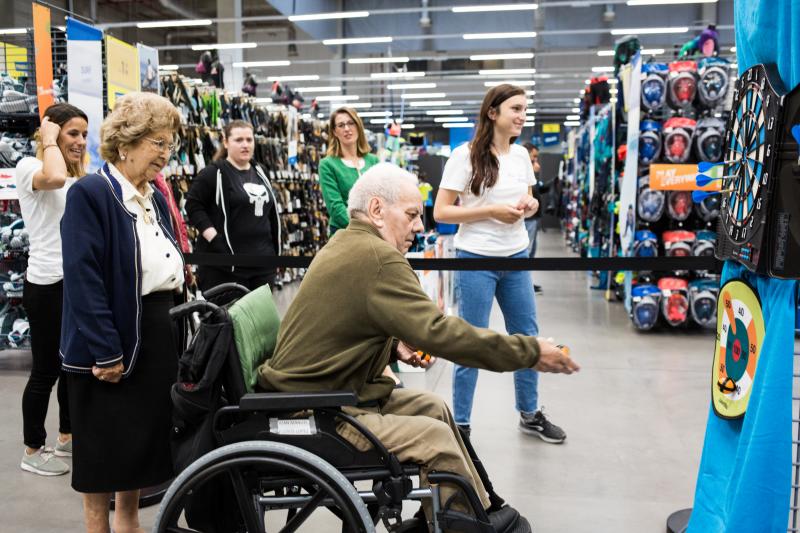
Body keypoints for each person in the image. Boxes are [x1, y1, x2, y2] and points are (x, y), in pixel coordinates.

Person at [258, 163, 579, 531]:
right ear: (377, 210)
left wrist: (393, 344)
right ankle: (466, 526)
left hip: (333, 393)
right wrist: (531, 352)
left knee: (433, 406)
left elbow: (346, 319)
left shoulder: (349, 242)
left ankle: (473, 511)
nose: (419, 226)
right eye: (411, 215)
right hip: (317, 412)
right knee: (435, 439)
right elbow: (442, 333)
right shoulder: (379, 259)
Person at [60, 92, 185, 533]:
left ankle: (129, 523)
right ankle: (100, 526)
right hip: (111, 344)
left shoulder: (155, 196)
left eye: (169, 145)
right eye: (158, 143)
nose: (165, 154)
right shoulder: (91, 193)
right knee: (103, 452)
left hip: (154, 336)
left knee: (135, 451)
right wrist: (106, 350)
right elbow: (82, 277)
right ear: (127, 143)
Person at [433, 84, 566, 444]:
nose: (522, 116)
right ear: (493, 113)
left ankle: (530, 412)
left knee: (527, 337)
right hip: (476, 259)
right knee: (471, 342)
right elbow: (441, 210)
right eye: (516, 109)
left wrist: (531, 206)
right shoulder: (464, 156)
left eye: (525, 109)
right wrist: (490, 211)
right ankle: (460, 424)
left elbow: (529, 198)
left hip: (517, 257)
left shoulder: (522, 155)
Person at [16, 103, 88, 476]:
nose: (80, 141)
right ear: (50, 131)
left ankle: (67, 437)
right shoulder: (31, 168)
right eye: (72, 132)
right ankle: (31, 449)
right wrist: (48, 138)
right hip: (46, 285)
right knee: (46, 371)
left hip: (74, 284)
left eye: (84, 135)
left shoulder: (76, 175)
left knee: (72, 367)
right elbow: (56, 178)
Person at [185, 119, 281, 293]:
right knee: (230, 319)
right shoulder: (214, 173)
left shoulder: (261, 172)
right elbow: (192, 205)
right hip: (227, 268)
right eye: (239, 140)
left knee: (260, 319)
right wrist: (214, 238)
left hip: (263, 264)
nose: (245, 145)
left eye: (249, 140)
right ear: (226, 142)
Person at [319, 106, 379, 234]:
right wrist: (364, 229)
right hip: (344, 234)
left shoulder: (373, 161)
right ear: (334, 132)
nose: (347, 129)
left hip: (375, 233)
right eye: (341, 125)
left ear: (358, 126)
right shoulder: (327, 165)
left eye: (351, 123)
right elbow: (335, 208)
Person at [522, 142, 544, 294]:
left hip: (533, 217)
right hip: (528, 218)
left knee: (531, 251)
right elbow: (532, 190)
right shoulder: (523, 169)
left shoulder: (528, 168)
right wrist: (535, 174)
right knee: (527, 251)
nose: (536, 161)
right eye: (534, 157)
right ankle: (525, 284)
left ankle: (527, 283)